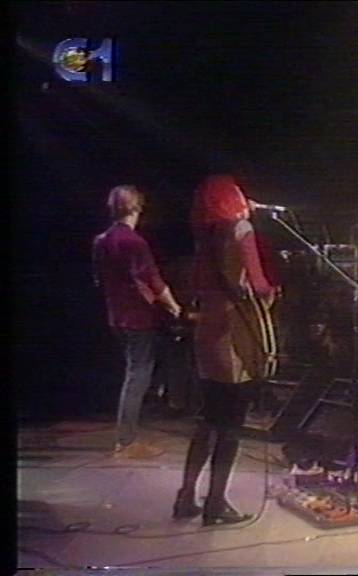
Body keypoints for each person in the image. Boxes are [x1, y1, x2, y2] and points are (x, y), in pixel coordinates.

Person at [173, 175, 278, 526]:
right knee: (231, 424)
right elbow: (258, 284)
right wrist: (270, 293)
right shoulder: (241, 229)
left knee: (209, 418)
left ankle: (186, 496)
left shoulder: (204, 236)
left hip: (207, 331)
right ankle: (216, 503)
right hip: (233, 334)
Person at [92, 185, 182, 459]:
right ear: (137, 208)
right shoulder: (134, 242)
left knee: (136, 373)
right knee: (137, 377)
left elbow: (99, 280)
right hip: (138, 318)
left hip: (116, 316)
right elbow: (153, 280)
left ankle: (128, 437)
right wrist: (174, 307)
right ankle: (126, 442)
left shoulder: (100, 241)